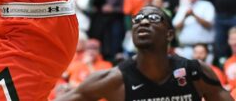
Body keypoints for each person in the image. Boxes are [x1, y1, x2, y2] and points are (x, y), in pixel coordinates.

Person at [56, 6, 232, 100]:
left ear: (169, 34)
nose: (144, 22)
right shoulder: (113, 80)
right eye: (138, 19)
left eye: (154, 18)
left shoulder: (195, 73)